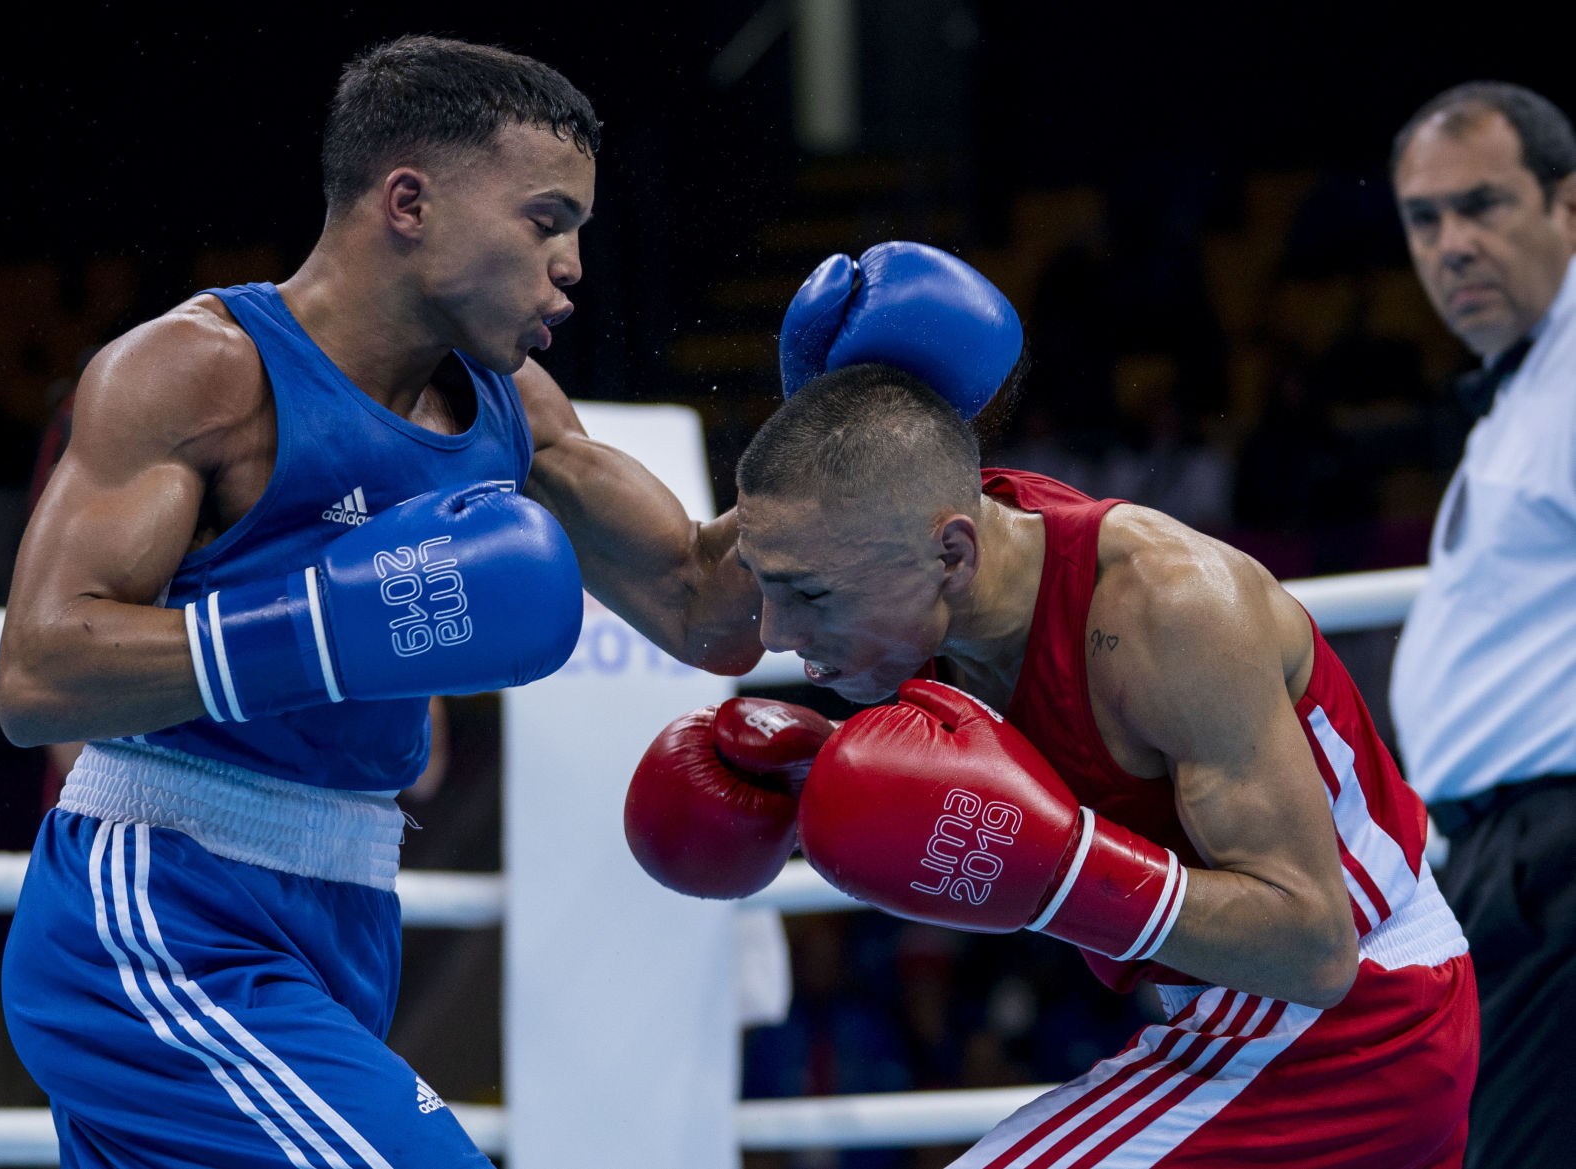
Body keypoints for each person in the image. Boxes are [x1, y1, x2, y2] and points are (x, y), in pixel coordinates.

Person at [0, 36, 763, 1167]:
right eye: (544, 220)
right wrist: (321, 629)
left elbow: (709, 609)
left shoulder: (509, 406)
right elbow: (38, 675)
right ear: (408, 200)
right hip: (159, 900)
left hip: (347, 903)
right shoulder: (203, 371)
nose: (572, 266)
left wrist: (851, 436)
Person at [625, 251, 1477, 1164]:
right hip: (1232, 1018)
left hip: (1359, 1021)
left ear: (953, 555)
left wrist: (1067, 870)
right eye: (767, 587)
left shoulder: (1171, 610)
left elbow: (1316, 945)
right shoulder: (936, 572)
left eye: (812, 597)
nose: (778, 632)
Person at [1387, 80, 1576, 1169]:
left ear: (1565, 205)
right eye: (1423, 218)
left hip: (1549, 851)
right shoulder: (1523, 391)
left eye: (1482, 205)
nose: (1450, 244)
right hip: (1501, 861)